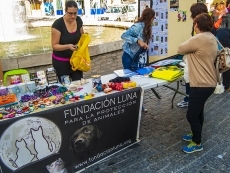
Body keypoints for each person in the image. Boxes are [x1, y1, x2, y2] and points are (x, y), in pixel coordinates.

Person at [178, 13, 218, 153]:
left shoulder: (199, 38)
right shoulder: (211, 37)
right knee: (198, 110)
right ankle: (196, 134)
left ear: (197, 25)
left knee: (192, 115)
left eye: (194, 23)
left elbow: (180, 49)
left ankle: (197, 142)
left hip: (201, 83)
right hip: (209, 81)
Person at [120, 8, 155, 112]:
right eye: (153, 18)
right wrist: (138, 41)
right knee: (131, 82)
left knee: (139, 81)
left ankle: (139, 105)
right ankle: (131, 106)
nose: (153, 20)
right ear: (151, 18)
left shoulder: (147, 27)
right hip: (129, 57)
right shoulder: (138, 26)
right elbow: (124, 35)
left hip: (138, 59)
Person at [177, 3, 209, 108]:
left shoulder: (202, 28)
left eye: (192, 14)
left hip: (199, 64)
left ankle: (191, 101)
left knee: (193, 114)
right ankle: (190, 99)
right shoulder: (206, 24)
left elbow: (182, 49)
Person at [51, 0, 84, 83]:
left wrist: (85, 39)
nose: (73, 16)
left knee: (79, 84)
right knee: (66, 89)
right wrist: (68, 46)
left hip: (76, 61)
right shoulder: (57, 24)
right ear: (65, 11)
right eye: (70, 13)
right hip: (61, 62)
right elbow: (54, 45)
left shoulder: (79, 20)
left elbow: (82, 36)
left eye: (75, 13)